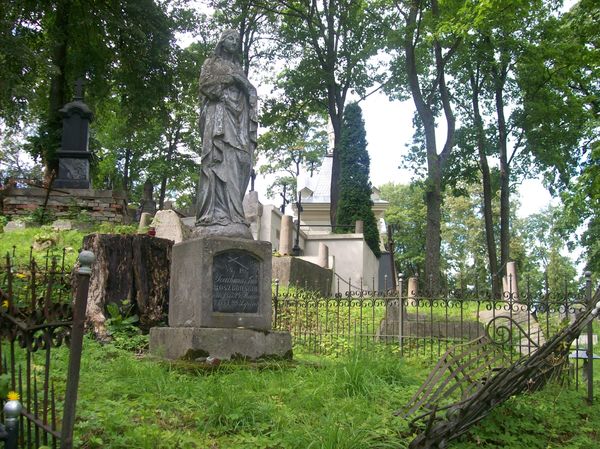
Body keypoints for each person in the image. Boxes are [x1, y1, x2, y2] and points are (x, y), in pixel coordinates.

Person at [195, 29, 257, 238]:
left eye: (237, 40)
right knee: (217, 162)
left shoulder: (238, 67)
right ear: (222, 42)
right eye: (230, 39)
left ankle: (233, 213)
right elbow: (205, 85)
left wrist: (245, 87)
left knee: (240, 161)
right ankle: (214, 215)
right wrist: (230, 80)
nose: (234, 43)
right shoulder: (211, 63)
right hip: (218, 118)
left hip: (237, 121)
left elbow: (250, 92)